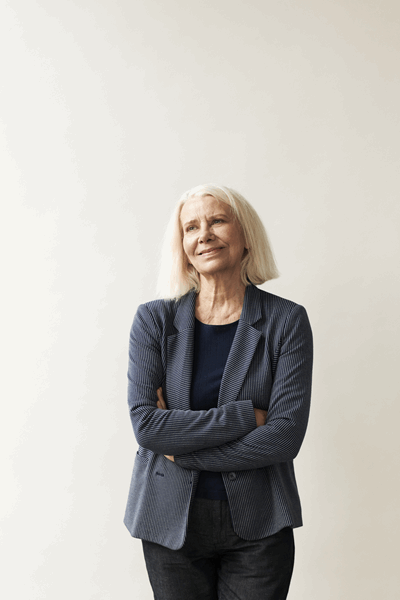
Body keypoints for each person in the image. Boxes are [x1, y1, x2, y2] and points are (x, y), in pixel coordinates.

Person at [124, 184, 313, 600]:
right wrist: (247, 417)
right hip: (170, 521)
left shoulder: (286, 321)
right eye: (191, 227)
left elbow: (284, 437)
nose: (204, 234)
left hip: (260, 523)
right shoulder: (154, 321)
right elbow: (148, 427)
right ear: (183, 246)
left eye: (217, 221)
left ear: (245, 235)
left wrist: (183, 451)